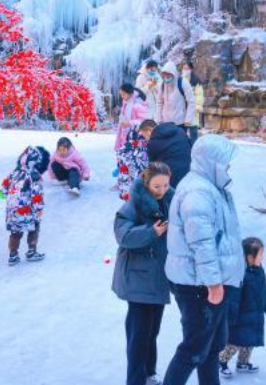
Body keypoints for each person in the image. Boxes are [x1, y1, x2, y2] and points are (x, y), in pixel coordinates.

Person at [162, 136, 245, 385]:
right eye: (225, 163)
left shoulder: (210, 187)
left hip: (210, 282)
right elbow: (202, 243)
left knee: (211, 347)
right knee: (194, 349)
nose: (229, 168)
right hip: (200, 286)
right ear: (211, 163)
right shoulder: (198, 192)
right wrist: (214, 284)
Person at [114, 162, 175, 385]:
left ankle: (148, 373)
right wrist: (151, 231)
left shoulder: (171, 200)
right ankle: (136, 380)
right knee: (139, 334)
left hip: (158, 276)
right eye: (156, 186)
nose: (161, 190)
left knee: (152, 330)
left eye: (165, 185)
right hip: (138, 277)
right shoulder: (134, 204)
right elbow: (123, 235)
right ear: (146, 182)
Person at [219, 237, 266, 378]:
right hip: (241, 318)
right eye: (260, 254)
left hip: (255, 315)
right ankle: (221, 361)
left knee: (250, 342)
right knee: (235, 343)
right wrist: (231, 318)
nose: (263, 257)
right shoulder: (240, 275)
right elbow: (233, 299)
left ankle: (243, 362)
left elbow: (265, 290)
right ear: (250, 257)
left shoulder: (259, 270)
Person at [2, 145, 50, 266]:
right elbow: (37, 194)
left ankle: (13, 255)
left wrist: (9, 195)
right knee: (34, 227)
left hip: (12, 210)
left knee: (15, 231)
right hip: (27, 210)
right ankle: (31, 251)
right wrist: (39, 209)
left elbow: (3, 188)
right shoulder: (34, 175)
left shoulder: (14, 173)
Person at [147, 121, 192, 188]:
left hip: (169, 176)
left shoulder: (153, 142)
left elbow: (152, 163)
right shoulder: (181, 132)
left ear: (149, 130)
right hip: (188, 171)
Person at [117, 120, 152, 200]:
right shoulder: (150, 146)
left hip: (131, 188)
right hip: (148, 187)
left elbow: (123, 170)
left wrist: (124, 191)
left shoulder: (123, 150)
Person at [116, 83, 149, 154]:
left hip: (135, 136)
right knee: (125, 157)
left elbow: (144, 121)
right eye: (121, 94)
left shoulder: (138, 104)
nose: (122, 96)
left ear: (130, 93)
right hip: (125, 135)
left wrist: (130, 123)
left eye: (123, 94)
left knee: (132, 156)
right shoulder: (126, 102)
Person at [178, 62, 201, 144]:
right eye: (184, 68)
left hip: (192, 110)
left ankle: (194, 150)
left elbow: (199, 95)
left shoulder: (195, 80)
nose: (185, 70)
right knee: (182, 133)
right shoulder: (179, 81)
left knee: (193, 133)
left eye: (187, 68)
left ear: (191, 69)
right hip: (182, 110)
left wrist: (197, 107)